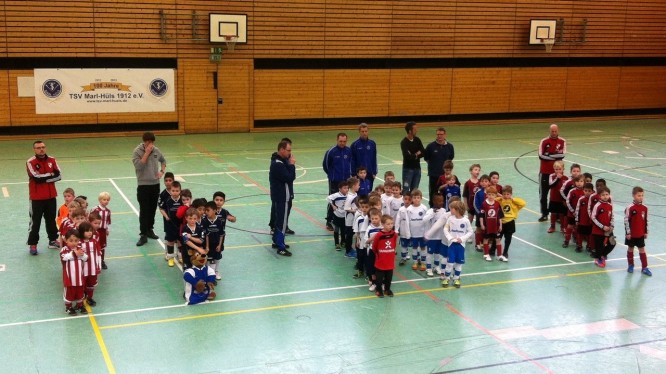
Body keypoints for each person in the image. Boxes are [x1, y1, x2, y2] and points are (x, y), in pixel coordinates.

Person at [27, 140, 62, 255]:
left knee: (51, 220)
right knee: (35, 222)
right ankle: (33, 244)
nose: (41, 149)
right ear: (34, 149)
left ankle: (52, 241)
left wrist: (45, 178)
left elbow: (59, 176)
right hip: (36, 198)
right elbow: (36, 178)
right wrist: (50, 175)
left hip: (51, 196)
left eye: (43, 147)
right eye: (38, 148)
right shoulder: (30, 162)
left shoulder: (52, 160)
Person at [133, 132, 167, 246]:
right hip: (143, 185)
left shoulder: (157, 150)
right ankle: (143, 234)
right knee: (144, 210)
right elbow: (139, 166)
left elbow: (163, 161)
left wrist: (162, 171)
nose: (150, 144)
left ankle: (149, 230)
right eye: (148, 142)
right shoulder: (137, 151)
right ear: (144, 141)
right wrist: (146, 153)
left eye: (152, 142)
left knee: (152, 209)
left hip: (155, 184)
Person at [270, 140, 296, 257]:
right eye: (288, 150)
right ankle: (281, 246)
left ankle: (276, 241)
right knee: (282, 222)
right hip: (282, 196)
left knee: (279, 220)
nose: (290, 153)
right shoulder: (278, 164)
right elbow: (290, 177)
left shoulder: (278, 161)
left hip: (278, 195)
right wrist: (292, 165)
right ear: (281, 150)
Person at [323, 133, 352, 230]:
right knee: (333, 200)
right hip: (335, 180)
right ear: (337, 140)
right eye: (340, 141)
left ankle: (341, 219)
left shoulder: (349, 151)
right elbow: (326, 165)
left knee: (345, 200)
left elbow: (350, 163)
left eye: (344, 141)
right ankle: (329, 221)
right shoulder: (331, 152)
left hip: (346, 181)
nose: (342, 143)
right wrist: (332, 175)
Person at [442, 200, 474, 288]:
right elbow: (445, 229)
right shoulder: (450, 219)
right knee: (450, 263)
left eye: (451, 209)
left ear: (457, 210)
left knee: (459, 263)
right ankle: (446, 278)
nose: (450, 210)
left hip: (461, 246)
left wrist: (462, 239)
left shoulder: (466, 220)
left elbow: (470, 231)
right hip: (451, 245)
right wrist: (450, 238)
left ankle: (456, 278)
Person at [538, 124, 566, 222]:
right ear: (549, 131)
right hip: (544, 172)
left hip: (557, 174)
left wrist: (549, 154)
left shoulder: (562, 141)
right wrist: (555, 156)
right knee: (543, 194)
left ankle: (557, 215)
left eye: (555, 131)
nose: (554, 133)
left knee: (557, 195)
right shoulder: (544, 141)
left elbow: (562, 155)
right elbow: (541, 156)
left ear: (558, 131)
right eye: (552, 131)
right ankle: (544, 214)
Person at [369, 214, 398, 298]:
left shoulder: (394, 234)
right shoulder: (379, 235)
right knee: (379, 278)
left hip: (390, 260)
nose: (390, 226)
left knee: (389, 277)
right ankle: (379, 290)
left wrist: (390, 252)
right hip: (381, 260)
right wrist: (380, 254)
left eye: (391, 224)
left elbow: (394, 245)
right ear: (383, 224)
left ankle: (387, 289)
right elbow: (374, 247)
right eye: (388, 224)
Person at [624, 187, 651, 276]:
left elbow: (646, 220)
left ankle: (644, 267)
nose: (641, 197)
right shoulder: (630, 208)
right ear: (633, 196)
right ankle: (630, 265)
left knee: (642, 250)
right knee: (630, 248)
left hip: (640, 234)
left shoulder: (645, 208)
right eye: (639, 195)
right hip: (631, 234)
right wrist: (628, 232)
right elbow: (626, 220)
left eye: (642, 195)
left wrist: (646, 231)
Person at [424, 127, 454, 206]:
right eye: (438, 134)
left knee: (445, 193)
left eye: (441, 134)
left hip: (445, 176)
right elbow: (426, 158)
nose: (439, 136)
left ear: (445, 135)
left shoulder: (450, 146)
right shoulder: (430, 146)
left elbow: (450, 159)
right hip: (434, 175)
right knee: (433, 193)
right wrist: (434, 166)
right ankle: (432, 209)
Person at [60, 229, 88, 315]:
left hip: (79, 277)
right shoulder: (64, 250)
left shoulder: (80, 249)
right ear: (66, 240)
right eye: (71, 240)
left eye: (76, 240)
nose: (73, 243)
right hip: (69, 278)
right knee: (69, 293)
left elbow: (86, 258)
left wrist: (83, 255)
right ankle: (68, 307)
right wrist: (74, 253)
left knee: (80, 292)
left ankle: (79, 305)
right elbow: (64, 257)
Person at [497, 185, 526, 260]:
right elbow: (493, 201)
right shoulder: (500, 200)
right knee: (497, 237)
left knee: (508, 238)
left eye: (508, 194)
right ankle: (494, 249)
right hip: (500, 222)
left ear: (511, 194)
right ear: (502, 194)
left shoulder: (513, 202)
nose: (506, 196)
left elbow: (523, 203)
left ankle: (505, 252)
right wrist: (500, 197)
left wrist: (513, 199)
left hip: (510, 222)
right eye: (504, 194)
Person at [402, 189, 428, 271]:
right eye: (414, 198)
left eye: (418, 197)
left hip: (422, 233)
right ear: (412, 199)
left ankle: (423, 262)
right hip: (413, 234)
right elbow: (407, 222)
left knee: (423, 248)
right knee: (414, 247)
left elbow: (427, 222)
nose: (416, 199)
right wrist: (408, 233)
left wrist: (426, 233)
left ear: (421, 198)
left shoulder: (424, 208)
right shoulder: (409, 209)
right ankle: (415, 261)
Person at [159, 181, 183, 267]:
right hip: (170, 224)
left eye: (177, 190)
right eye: (173, 190)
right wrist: (166, 216)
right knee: (170, 241)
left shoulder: (182, 200)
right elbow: (161, 208)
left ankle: (180, 255)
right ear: (171, 191)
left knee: (180, 241)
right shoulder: (168, 200)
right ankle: (171, 258)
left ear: (180, 191)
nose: (175, 192)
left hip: (180, 224)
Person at [79, 221, 101, 308]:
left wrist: (98, 266)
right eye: (87, 231)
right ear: (81, 232)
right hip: (82, 269)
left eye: (90, 231)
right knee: (81, 284)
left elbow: (98, 254)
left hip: (92, 269)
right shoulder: (79, 243)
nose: (90, 233)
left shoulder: (94, 241)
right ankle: (80, 300)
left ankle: (89, 298)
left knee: (91, 284)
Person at [479, 186, 504, 262]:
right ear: (486, 195)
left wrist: (500, 225)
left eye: (492, 195)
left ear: (495, 195)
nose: (491, 196)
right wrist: (482, 224)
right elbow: (481, 215)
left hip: (495, 226)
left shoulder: (497, 204)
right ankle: (486, 254)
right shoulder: (484, 204)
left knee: (498, 239)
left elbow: (499, 215)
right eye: (489, 194)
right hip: (487, 226)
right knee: (486, 239)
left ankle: (499, 255)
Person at [591, 186, 613, 268]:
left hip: (608, 229)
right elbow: (593, 217)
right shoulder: (597, 205)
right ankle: (598, 258)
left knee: (612, 243)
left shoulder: (610, 205)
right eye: (603, 195)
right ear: (599, 196)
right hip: (598, 230)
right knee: (599, 245)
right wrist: (602, 226)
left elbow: (612, 216)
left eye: (607, 194)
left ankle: (603, 255)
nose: (605, 196)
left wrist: (612, 225)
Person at [350, 123, 378, 190]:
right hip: (359, 174)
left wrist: (374, 172)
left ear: (368, 131)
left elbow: (374, 159)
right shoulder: (354, 145)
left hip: (370, 173)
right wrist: (353, 174)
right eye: (362, 131)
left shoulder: (372, 144)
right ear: (359, 132)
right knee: (358, 192)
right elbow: (352, 160)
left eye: (366, 131)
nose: (364, 133)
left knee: (368, 192)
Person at [400, 121, 425, 193]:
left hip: (417, 168)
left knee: (415, 190)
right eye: (415, 129)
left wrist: (414, 155)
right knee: (406, 190)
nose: (417, 130)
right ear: (410, 131)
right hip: (408, 169)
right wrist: (417, 154)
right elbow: (408, 157)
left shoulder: (417, 140)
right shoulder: (404, 142)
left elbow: (423, 152)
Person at [91, 192, 111, 269]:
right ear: (100, 200)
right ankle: (94, 261)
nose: (106, 201)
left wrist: (107, 229)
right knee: (94, 245)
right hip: (95, 231)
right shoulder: (95, 209)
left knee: (102, 246)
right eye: (104, 199)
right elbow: (91, 219)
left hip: (103, 231)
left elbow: (108, 221)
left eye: (107, 200)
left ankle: (101, 261)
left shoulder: (108, 211)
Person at [327, 181, 349, 251]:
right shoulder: (336, 195)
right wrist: (333, 205)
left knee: (343, 230)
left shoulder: (348, 195)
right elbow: (328, 198)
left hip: (344, 215)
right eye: (344, 188)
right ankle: (337, 243)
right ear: (340, 189)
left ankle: (343, 242)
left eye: (347, 188)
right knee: (336, 230)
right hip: (337, 215)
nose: (346, 190)